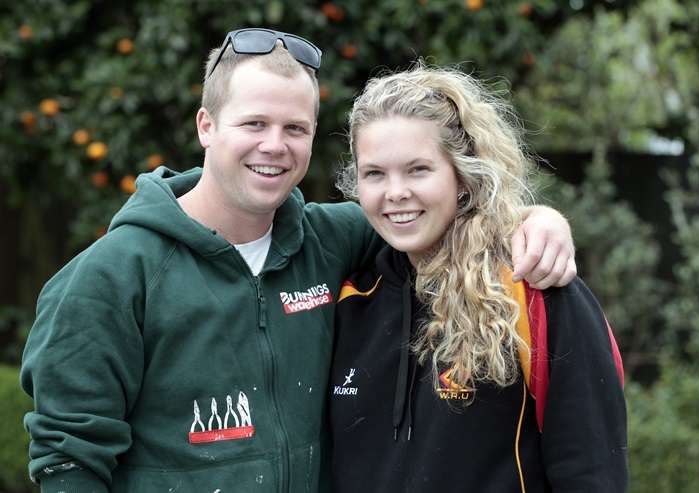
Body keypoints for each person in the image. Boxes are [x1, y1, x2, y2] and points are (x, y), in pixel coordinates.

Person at [21, 29, 576, 492]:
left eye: (295, 129)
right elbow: (69, 458)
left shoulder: (330, 241)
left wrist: (534, 222)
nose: (275, 145)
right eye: (254, 124)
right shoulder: (110, 277)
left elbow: (438, 213)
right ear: (206, 126)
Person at [330, 65, 628, 492]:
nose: (395, 192)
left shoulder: (534, 290)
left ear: (464, 176)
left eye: (418, 170)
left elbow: (592, 473)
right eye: (375, 173)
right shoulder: (348, 297)